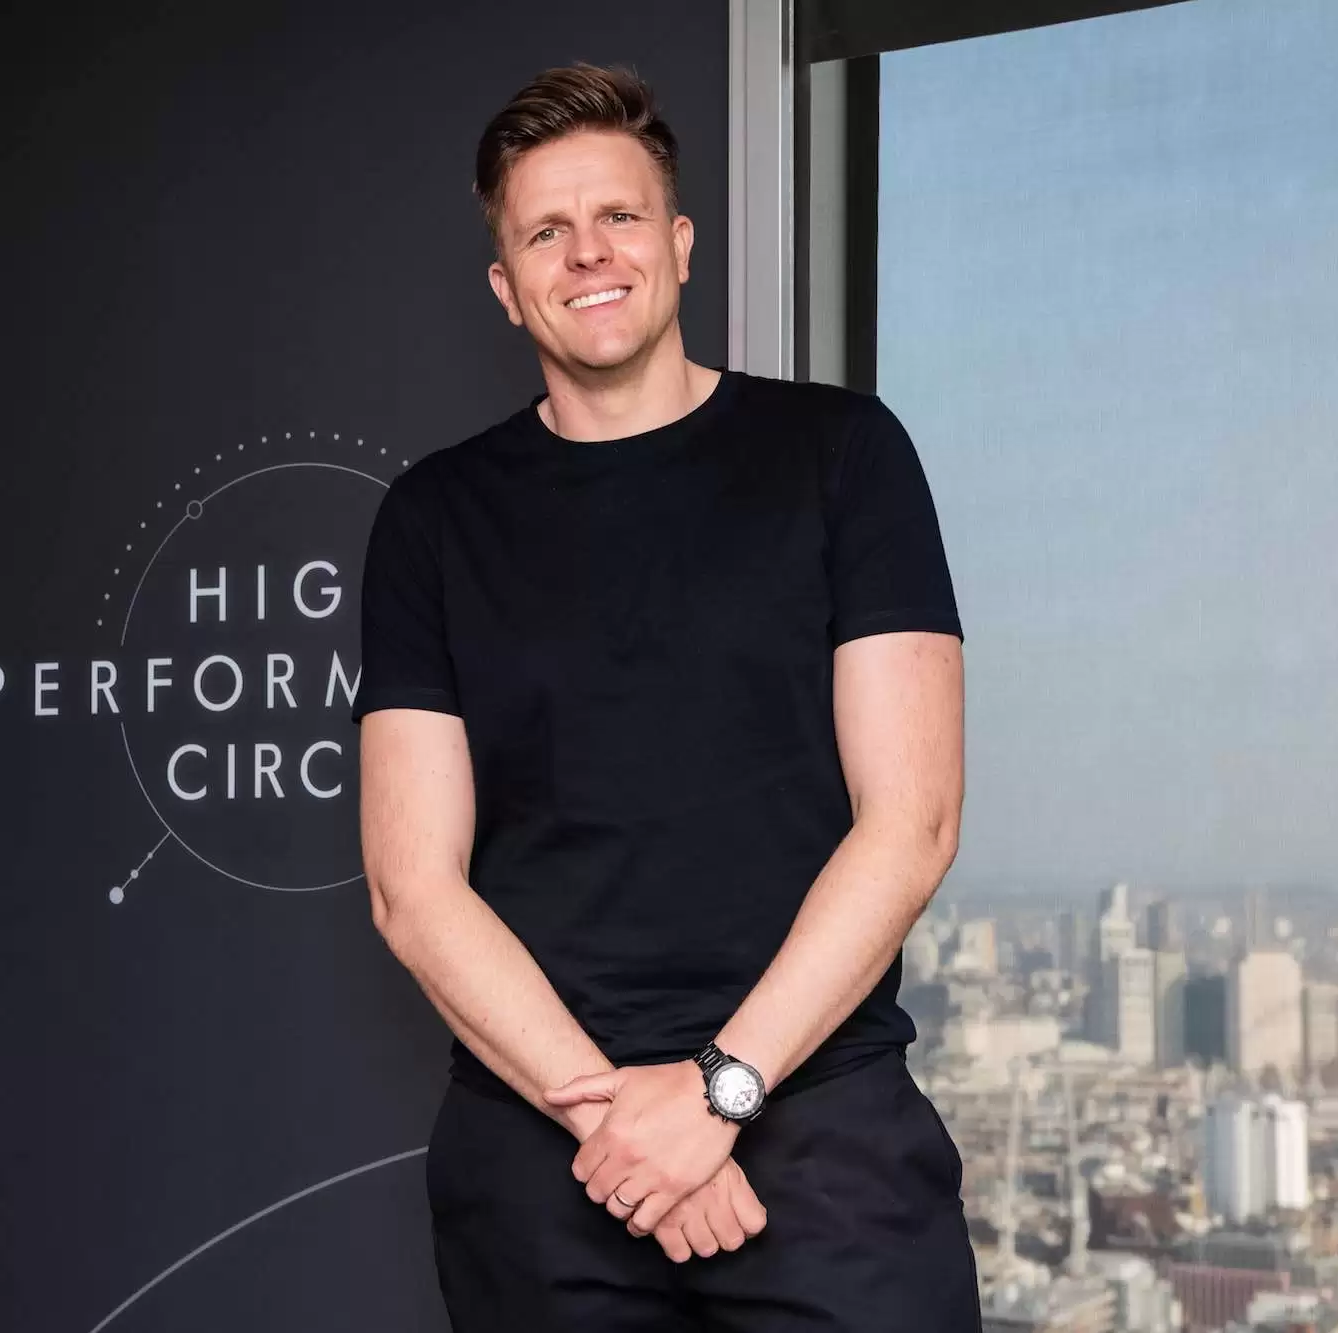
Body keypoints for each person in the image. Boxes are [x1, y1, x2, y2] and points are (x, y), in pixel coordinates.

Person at [352, 61, 982, 1332]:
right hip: (545, 1162)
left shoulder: (842, 454)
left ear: (681, 245)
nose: (588, 251)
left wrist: (716, 1093)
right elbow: (411, 887)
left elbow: (908, 822)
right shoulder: (432, 519)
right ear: (505, 284)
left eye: (619, 216)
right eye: (546, 230)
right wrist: (618, 1125)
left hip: (821, 1142)